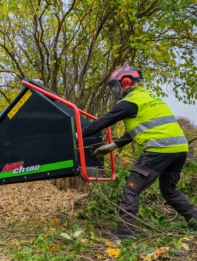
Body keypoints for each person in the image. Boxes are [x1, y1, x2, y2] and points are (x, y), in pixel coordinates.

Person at [82, 65, 197, 240]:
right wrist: (114, 146)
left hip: (159, 149)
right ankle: (194, 221)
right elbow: (139, 128)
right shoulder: (149, 98)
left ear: (126, 82)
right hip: (180, 149)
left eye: (116, 86)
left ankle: (125, 234)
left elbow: (102, 122)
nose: (115, 90)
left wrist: (75, 136)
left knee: (131, 190)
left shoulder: (129, 102)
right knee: (170, 190)